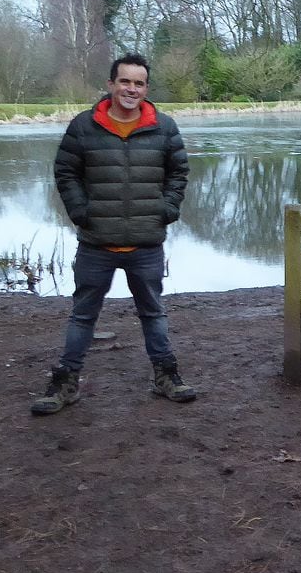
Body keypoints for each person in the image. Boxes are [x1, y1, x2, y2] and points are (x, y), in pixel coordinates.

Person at [31, 53, 196, 414]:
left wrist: (165, 210)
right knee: (82, 316)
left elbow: (179, 173)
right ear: (110, 85)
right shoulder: (83, 126)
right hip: (96, 242)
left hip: (145, 242)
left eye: (138, 83)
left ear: (146, 88)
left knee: (153, 312)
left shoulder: (164, 127)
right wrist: (81, 212)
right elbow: (66, 172)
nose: (131, 89)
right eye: (125, 81)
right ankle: (65, 384)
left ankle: (166, 377)